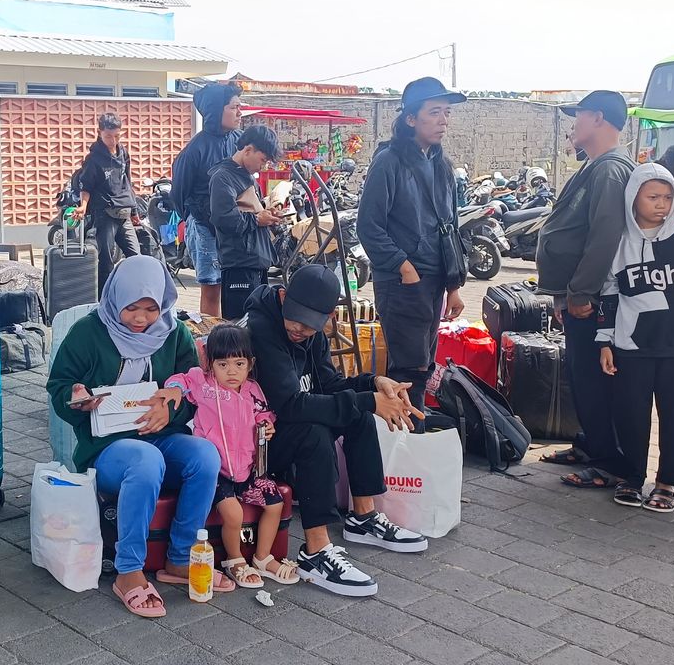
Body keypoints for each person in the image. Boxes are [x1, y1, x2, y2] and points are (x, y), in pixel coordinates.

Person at [47, 255, 229, 618]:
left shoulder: (173, 333)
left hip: (161, 435)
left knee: (205, 456)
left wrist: (170, 410)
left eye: (151, 308)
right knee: (146, 460)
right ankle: (128, 570)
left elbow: (192, 390)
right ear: (116, 297)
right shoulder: (88, 332)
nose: (141, 319)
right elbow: (59, 387)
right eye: (131, 308)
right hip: (108, 447)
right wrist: (77, 398)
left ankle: (180, 558)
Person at [246, 265, 427, 598]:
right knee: (313, 433)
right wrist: (368, 400)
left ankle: (363, 518)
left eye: (310, 324)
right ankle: (315, 552)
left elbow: (329, 385)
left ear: (328, 317)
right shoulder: (261, 329)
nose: (299, 329)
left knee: (358, 417)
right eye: (294, 318)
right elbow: (290, 406)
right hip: (252, 443)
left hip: (283, 425)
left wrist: (374, 383)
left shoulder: (312, 335)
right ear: (283, 297)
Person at [535, 91, 636, 488]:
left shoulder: (610, 169)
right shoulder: (595, 165)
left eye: (578, 115)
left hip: (592, 299)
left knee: (596, 379)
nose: (572, 123)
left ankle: (610, 462)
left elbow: (605, 237)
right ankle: (590, 443)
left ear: (597, 117)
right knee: (581, 375)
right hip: (577, 294)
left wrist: (580, 292)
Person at [596, 164, 674, 513]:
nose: (662, 204)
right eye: (653, 197)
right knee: (631, 413)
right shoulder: (619, 240)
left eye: (667, 197)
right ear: (634, 198)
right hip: (631, 345)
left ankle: (667, 482)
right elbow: (609, 293)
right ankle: (631, 476)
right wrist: (605, 341)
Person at [164, 324, 298, 588]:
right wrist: (175, 389)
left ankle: (262, 557)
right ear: (210, 364)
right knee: (234, 515)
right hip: (216, 473)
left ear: (250, 364)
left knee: (276, 504)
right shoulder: (203, 384)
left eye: (239, 363)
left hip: (247, 469)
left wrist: (267, 424)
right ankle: (234, 560)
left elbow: (263, 413)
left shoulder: (253, 389)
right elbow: (180, 380)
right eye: (222, 364)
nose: (232, 371)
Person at [358, 77, 467, 403]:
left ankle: (411, 429)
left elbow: (450, 227)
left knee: (423, 366)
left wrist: (453, 285)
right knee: (409, 372)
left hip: (434, 281)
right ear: (410, 119)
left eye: (446, 112)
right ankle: (407, 431)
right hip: (402, 283)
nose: (443, 120)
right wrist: (403, 266)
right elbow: (368, 226)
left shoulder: (442, 165)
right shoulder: (388, 162)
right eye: (434, 112)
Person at [171, 83, 243, 317]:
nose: (240, 112)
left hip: (236, 224)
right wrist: (197, 216)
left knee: (237, 284)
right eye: (233, 107)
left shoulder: (240, 141)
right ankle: (212, 335)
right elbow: (179, 193)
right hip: (205, 227)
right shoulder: (195, 150)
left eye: (239, 107)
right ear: (215, 111)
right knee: (212, 289)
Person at [208, 125, 282, 320]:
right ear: (248, 150)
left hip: (256, 261)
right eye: (263, 160)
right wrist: (257, 219)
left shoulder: (247, 176)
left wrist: (268, 214)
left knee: (258, 320)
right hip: (239, 263)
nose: (263, 166)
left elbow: (251, 210)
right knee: (240, 323)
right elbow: (223, 218)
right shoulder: (223, 177)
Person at [71, 113, 140, 292]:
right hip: (105, 214)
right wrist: (83, 206)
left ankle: (134, 295)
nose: (113, 140)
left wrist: (134, 211)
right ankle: (103, 300)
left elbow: (127, 182)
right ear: (99, 132)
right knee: (106, 262)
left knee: (136, 258)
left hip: (124, 213)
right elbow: (86, 186)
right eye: (108, 136)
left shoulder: (123, 152)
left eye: (117, 136)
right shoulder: (93, 159)